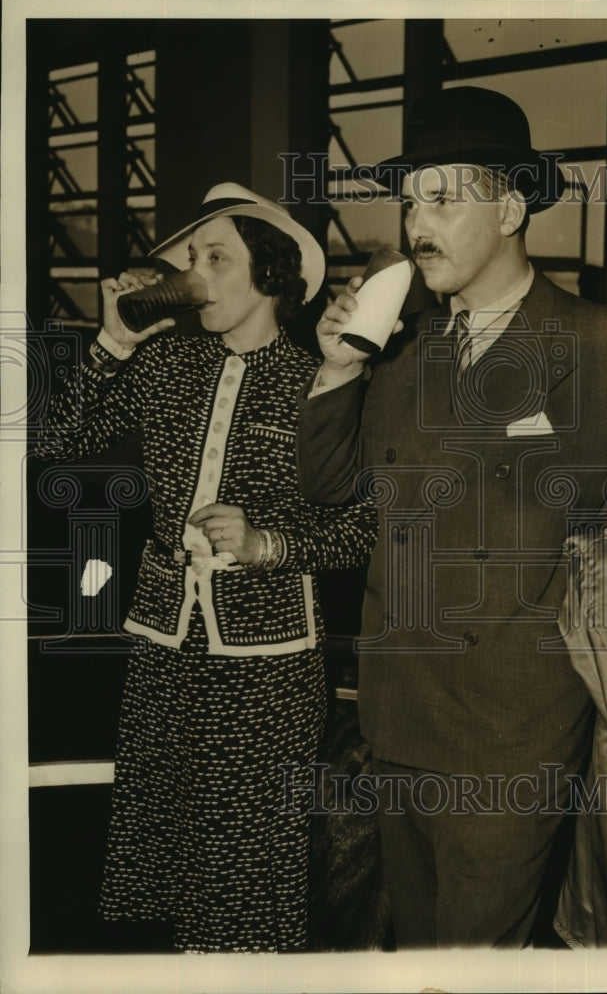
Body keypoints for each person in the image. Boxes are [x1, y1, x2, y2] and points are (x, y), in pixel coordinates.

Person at [294, 86, 607, 948]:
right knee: (421, 952)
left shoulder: (599, 349)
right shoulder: (403, 351)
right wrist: (338, 370)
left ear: (508, 207)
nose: (415, 222)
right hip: (394, 720)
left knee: (476, 963)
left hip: (511, 739)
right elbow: (327, 487)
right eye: (410, 199)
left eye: (443, 198)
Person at [35, 182, 377, 953]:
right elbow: (54, 441)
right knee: (170, 854)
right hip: (163, 643)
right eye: (190, 259)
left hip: (268, 663)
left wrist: (264, 545)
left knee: (246, 866)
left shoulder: (317, 383)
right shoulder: (164, 367)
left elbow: (361, 529)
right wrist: (113, 342)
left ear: (272, 274)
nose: (192, 274)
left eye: (214, 257)